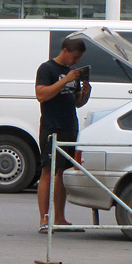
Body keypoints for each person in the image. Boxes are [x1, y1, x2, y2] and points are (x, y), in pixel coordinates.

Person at [35, 37, 90, 233]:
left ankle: (59, 218)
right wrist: (65, 80)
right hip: (52, 127)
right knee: (48, 171)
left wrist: (84, 93)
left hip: (69, 126)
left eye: (79, 58)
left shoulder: (71, 73)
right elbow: (41, 94)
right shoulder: (47, 68)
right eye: (75, 57)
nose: (76, 62)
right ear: (65, 50)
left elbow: (74, 102)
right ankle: (44, 219)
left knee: (62, 173)